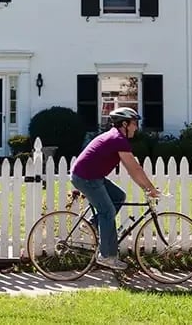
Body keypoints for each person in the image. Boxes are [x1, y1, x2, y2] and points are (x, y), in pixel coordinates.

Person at [70, 107, 160, 270]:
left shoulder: (116, 137)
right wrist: (150, 188)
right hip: (86, 177)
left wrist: (146, 188)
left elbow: (131, 170)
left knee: (119, 196)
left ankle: (93, 224)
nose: (136, 127)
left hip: (92, 176)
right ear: (124, 124)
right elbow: (135, 169)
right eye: (134, 123)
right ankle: (106, 256)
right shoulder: (117, 139)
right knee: (108, 212)